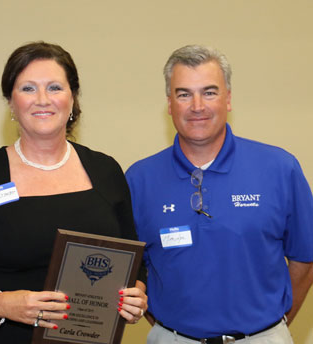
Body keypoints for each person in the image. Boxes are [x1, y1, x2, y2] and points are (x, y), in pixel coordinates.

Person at [0, 41, 147, 343]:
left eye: (54, 88)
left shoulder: (106, 172)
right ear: (11, 102)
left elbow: (135, 265)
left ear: (72, 99)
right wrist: (5, 304)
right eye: (28, 89)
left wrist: (136, 294)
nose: (43, 100)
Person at [125, 44, 313, 343]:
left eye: (209, 92)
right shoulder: (138, 179)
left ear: (228, 99)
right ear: (169, 103)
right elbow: (132, 270)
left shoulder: (280, 168)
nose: (197, 106)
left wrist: (273, 327)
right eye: (184, 94)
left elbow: (305, 260)